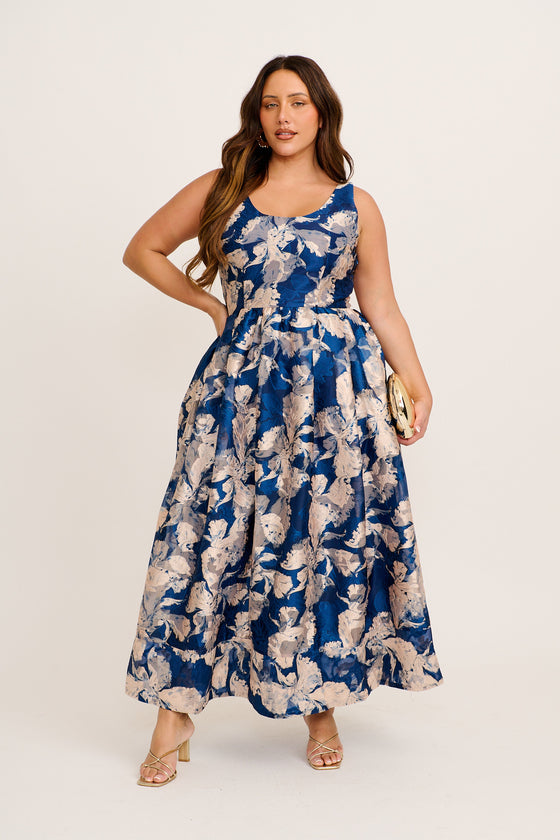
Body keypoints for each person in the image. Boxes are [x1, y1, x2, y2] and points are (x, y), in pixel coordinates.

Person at [123, 54, 444, 787]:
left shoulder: (355, 205)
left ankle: (320, 706)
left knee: (317, 538)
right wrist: (212, 306)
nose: (284, 116)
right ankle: (173, 715)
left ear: (321, 112)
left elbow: (380, 303)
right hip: (238, 394)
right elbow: (142, 249)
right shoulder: (223, 188)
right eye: (271, 103)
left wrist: (418, 383)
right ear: (256, 114)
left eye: (298, 102)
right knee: (205, 535)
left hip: (334, 398)